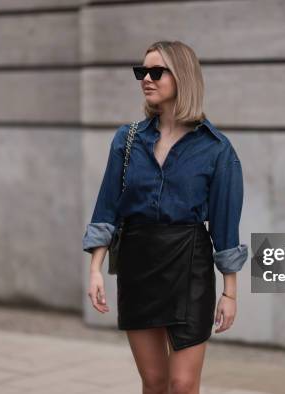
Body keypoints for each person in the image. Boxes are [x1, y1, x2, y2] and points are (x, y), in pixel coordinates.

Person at [82, 40, 248, 394]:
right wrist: (96, 269)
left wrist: (230, 293)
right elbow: (107, 207)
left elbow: (225, 225)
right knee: (155, 383)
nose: (146, 79)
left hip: (189, 266)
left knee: (183, 384)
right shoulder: (126, 140)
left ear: (183, 77)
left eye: (156, 72)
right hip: (138, 265)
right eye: (142, 72)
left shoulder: (216, 148)